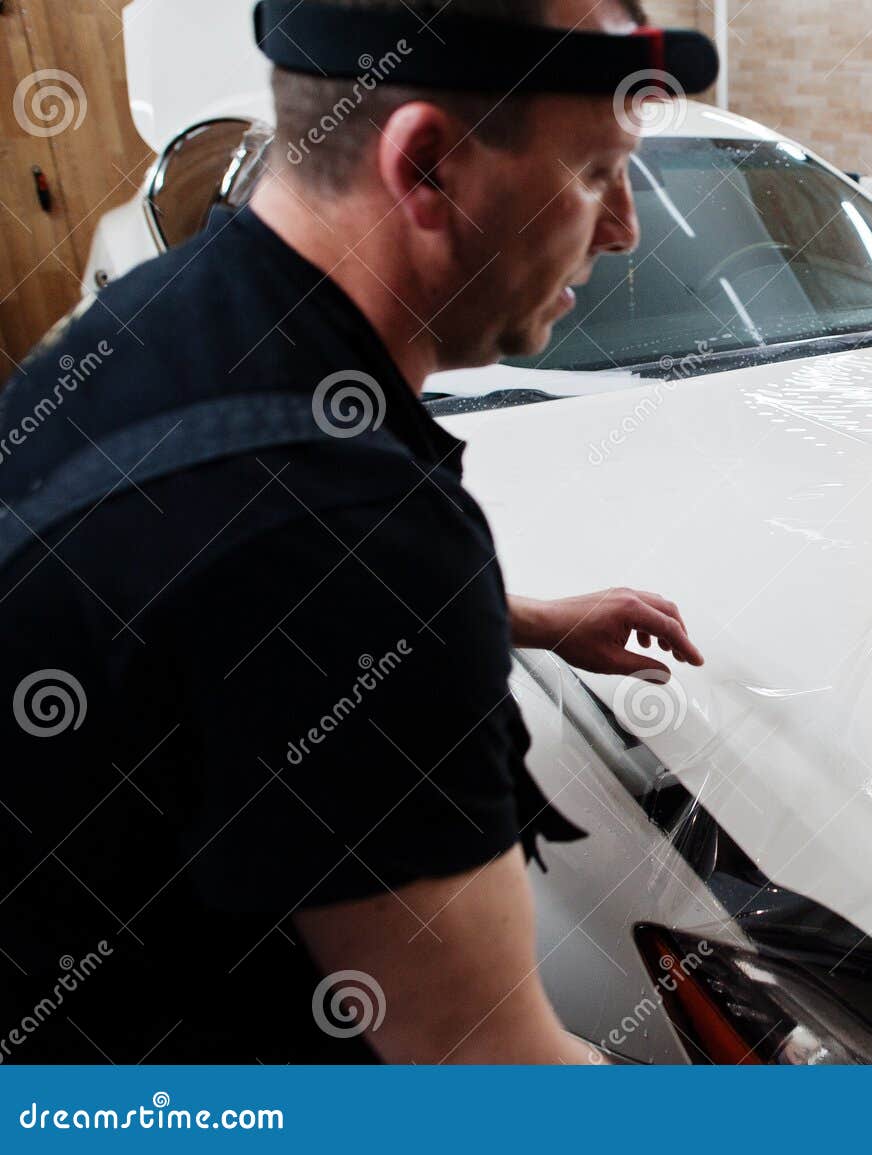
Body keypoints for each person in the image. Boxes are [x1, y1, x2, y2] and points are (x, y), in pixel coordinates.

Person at [0, 0, 715, 1063]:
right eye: (597, 172)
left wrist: (528, 620)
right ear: (425, 167)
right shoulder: (344, 532)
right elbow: (485, 1073)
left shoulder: (176, 311)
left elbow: (211, 620)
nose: (623, 229)